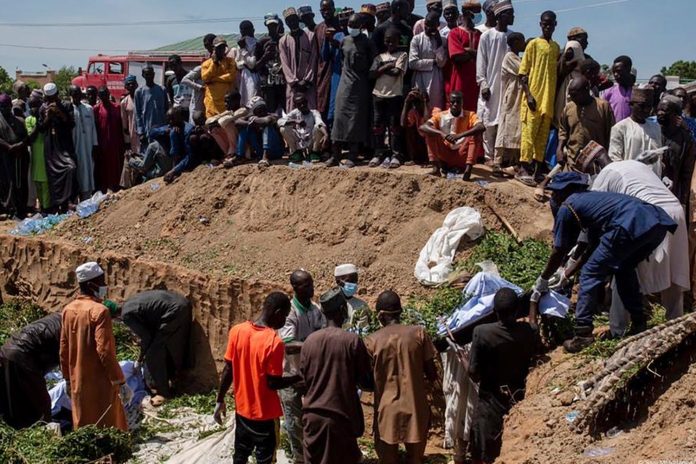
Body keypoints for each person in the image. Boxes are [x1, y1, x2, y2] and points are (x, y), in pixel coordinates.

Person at [532, 173, 677, 352]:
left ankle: (583, 333)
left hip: (629, 224)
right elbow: (592, 247)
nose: (553, 197)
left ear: (566, 191)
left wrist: (544, 278)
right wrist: (566, 273)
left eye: (556, 192)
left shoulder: (568, 206)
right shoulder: (592, 202)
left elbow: (559, 249)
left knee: (590, 274)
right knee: (624, 269)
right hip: (655, 224)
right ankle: (639, 322)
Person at [592, 160, 690, 336]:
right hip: (676, 210)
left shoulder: (604, 175)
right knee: (674, 268)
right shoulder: (637, 165)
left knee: (624, 269)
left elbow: (596, 219)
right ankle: (676, 324)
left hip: (649, 214)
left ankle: (617, 330)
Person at [214, 292, 299, 464]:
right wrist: (297, 378)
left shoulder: (237, 331)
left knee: (240, 453)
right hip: (265, 415)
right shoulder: (274, 342)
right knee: (266, 458)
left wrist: (220, 400)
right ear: (277, 313)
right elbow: (272, 382)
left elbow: (228, 370)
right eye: (284, 315)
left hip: (242, 410)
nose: (284, 321)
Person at [299, 287, 372, 464]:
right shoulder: (351, 341)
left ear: (323, 312)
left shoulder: (309, 342)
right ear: (342, 310)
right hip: (341, 417)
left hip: (312, 419)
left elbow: (304, 382)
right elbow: (366, 383)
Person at [365, 291, 437, 464]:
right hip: (416, 407)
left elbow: (367, 381)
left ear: (381, 315)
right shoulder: (419, 333)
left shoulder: (371, 341)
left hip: (386, 410)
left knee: (388, 459)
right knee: (416, 459)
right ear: (400, 311)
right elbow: (432, 373)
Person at [60, 262, 130, 431]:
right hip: (100, 383)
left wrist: (68, 379)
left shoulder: (68, 310)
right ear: (91, 284)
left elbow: (63, 349)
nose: (104, 286)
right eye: (101, 281)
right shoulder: (99, 311)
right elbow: (104, 351)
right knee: (108, 427)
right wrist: (120, 381)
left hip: (78, 381)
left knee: (85, 429)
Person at [469, 288, 536, 464]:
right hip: (519, 398)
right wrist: (533, 303)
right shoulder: (527, 331)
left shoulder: (481, 332)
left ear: (494, 312)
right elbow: (534, 329)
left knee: (484, 451)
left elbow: (474, 373)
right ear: (516, 311)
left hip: (490, 401)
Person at [277, 269, 325, 464]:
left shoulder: (314, 309)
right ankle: (299, 458)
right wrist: (312, 343)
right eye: (307, 285)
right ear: (295, 288)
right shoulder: (290, 312)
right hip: (291, 375)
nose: (312, 288)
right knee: (294, 421)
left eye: (312, 283)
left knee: (311, 419)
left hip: (311, 375)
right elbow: (287, 344)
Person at [121, 290, 192, 405]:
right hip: (181, 302)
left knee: (153, 354)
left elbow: (147, 337)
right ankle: (173, 377)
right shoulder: (129, 304)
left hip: (174, 311)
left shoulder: (127, 316)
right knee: (165, 344)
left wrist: (140, 357)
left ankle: (163, 393)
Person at [328, 13, 377, 168]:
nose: (352, 27)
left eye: (355, 25)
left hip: (360, 85)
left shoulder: (367, 43)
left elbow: (375, 62)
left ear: (361, 27)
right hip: (344, 83)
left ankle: (352, 155)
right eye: (350, 24)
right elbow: (343, 60)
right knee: (339, 118)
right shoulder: (345, 41)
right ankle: (335, 155)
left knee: (355, 120)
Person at [517, 11, 560, 185]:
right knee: (529, 134)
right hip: (534, 96)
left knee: (542, 137)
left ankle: (536, 170)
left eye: (551, 24)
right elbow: (522, 73)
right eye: (545, 23)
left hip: (548, 99)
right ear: (540, 24)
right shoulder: (533, 44)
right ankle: (523, 168)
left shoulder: (556, 47)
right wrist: (528, 95)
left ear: (555, 25)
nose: (548, 26)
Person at [0, 311, 61, 429]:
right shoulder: (69, 327)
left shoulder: (58, 319)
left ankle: (18, 427)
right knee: (41, 401)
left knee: (12, 396)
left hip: (8, 350)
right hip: (22, 355)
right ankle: (45, 433)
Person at [476, 0, 514, 162]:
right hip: (490, 84)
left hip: (506, 85)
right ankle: (488, 156)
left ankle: (500, 158)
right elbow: (481, 62)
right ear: (500, 16)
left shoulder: (512, 37)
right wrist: (483, 83)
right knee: (489, 119)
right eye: (510, 14)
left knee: (503, 121)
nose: (513, 17)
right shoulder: (486, 36)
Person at [420, 90, 485, 179]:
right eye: (452, 102)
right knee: (430, 133)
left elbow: (481, 127)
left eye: (458, 102)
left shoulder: (470, 115)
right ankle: (435, 169)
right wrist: (443, 134)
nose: (455, 104)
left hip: (462, 154)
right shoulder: (440, 115)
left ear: (462, 102)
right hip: (445, 154)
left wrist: (460, 135)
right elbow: (423, 127)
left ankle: (468, 169)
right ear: (448, 103)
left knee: (476, 134)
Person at [556, 76, 615, 169]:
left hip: (596, 164)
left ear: (586, 90)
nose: (572, 98)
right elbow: (563, 130)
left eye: (575, 95)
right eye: (571, 95)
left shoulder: (603, 106)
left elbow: (611, 134)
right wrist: (559, 149)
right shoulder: (568, 108)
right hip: (572, 162)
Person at [370, 27, 408, 168]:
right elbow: (372, 74)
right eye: (387, 41)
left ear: (398, 41)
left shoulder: (402, 55)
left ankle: (396, 154)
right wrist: (387, 66)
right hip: (378, 94)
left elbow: (396, 72)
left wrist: (382, 68)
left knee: (394, 127)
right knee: (378, 126)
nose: (390, 43)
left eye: (393, 41)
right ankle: (379, 153)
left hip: (394, 95)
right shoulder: (379, 57)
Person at [608, 87, 664, 175]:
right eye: (641, 106)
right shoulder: (620, 128)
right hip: (632, 180)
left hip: (654, 181)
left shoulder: (655, 127)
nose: (645, 110)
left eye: (648, 106)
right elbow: (615, 159)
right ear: (631, 105)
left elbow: (659, 157)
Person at [40, 83, 76, 212]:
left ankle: (67, 202)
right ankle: (55, 205)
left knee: (70, 168)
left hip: (64, 145)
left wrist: (60, 113)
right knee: (53, 176)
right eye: (48, 98)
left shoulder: (66, 105)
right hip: (51, 146)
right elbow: (41, 129)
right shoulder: (43, 108)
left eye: (52, 98)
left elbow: (71, 124)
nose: (50, 101)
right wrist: (48, 117)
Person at [493, 31, 525, 175]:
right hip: (512, 96)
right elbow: (524, 70)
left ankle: (512, 162)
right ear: (515, 43)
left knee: (516, 127)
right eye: (522, 41)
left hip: (518, 95)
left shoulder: (516, 57)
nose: (524, 44)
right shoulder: (510, 57)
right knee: (506, 126)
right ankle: (497, 162)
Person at [657, 95, 696, 211]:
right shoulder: (651, 132)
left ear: (676, 114)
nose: (660, 113)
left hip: (672, 198)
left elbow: (687, 173)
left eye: (664, 110)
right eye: (658, 109)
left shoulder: (685, 139)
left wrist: (684, 202)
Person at [279, 8, 319, 113]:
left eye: (294, 19)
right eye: (289, 20)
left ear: (298, 19)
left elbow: (313, 59)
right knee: (292, 113)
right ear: (286, 23)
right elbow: (285, 63)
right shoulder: (283, 41)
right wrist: (294, 83)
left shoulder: (310, 36)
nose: (292, 22)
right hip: (293, 86)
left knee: (311, 112)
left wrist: (306, 81)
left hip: (308, 85)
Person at [410, 12, 448, 112]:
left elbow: (442, 63)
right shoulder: (417, 39)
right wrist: (433, 62)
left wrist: (439, 43)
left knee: (436, 109)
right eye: (426, 24)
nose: (427, 27)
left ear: (437, 26)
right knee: (420, 109)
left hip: (436, 79)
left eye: (431, 25)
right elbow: (413, 63)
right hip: (420, 78)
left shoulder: (442, 40)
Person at [446, 2, 481, 111]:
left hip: (476, 80)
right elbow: (456, 56)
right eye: (475, 13)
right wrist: (474, 53)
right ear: (466, 14)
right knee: (458, 110)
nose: (478, 16)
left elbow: (484, 56)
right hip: (460, 79)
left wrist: (467, 51)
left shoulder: (480, 34)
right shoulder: (454, 33)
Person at [0, 93, 29, 219]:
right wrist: (9, 147)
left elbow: (26, 137)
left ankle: (19, 209)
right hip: (3, 157)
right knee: (5, 183)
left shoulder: (19, 120)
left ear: (10, 105)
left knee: (18, 183)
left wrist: (18, 146)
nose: (4, 109)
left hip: (18, 157)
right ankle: (6, 208)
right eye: (2, 106)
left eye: (6, 106)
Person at [279, 93, 328, 164]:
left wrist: (326, 134)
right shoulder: (295, 113)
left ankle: (314, 152)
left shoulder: (314, 112)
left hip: (310, 141)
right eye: (299, 104)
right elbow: (280, 121)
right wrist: (295, 121)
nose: (302, 105)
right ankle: (296, 152)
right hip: (299, 141)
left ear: (307, 102)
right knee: (283, 128)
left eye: (303, 103)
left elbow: (319, 123)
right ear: (296, 106)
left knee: (317, 128)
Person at [94, 86, 125, 193]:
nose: (104, 97)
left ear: (109, 94)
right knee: (104, 167)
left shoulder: (117, 107)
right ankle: (105, 188)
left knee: (117, 165)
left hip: (116, 142)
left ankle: (116, 186)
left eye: (105, 94)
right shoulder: (96, 109)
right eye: (101, 95)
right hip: (103, 143)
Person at [235, 96, 283, 166]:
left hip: (276, 151)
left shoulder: (272, 116)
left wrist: (254, 120)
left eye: (264, 109)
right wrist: (249, 122)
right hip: (259, 151)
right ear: (254, 112)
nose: (263, 112)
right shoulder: (251, 117)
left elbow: (267, 121)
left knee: (267, 127)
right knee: (245, 129)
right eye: (259, 110)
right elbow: (237, 122)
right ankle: (239, 156)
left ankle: (265, 157)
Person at [69, 85, 98, 200]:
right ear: (70, 95)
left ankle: (86, 198)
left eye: (78, 93)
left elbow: (93, 129)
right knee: (76, 173)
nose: (76, 96)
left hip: (88, 147)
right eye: (74, 93)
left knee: (87, 171)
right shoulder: (69, 109)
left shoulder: (88, 109)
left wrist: (95, 145)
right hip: (75, 148)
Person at [315, 0, 341, 122]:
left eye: (329, 9)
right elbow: (317, 54)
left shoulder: (341, 25)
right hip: (323, 71)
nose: (326, 12)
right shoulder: (318, 28)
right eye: (323, 10)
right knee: (323, 104)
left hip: (339, 71)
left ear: (334, 9)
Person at [25, 94, 51, 211]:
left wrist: (42, 119)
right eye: (31, 106)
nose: (33, 109)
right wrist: (38, 123)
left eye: (36, 106)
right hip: (35, 155)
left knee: (45, 182)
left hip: (46, 154)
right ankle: (41, 205)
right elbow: (31, 137)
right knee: (37, 183)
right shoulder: (29, 120)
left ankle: (46, 207)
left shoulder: (46, 117)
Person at [257, 14, 287, 114]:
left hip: (283, 82)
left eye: (274, 25)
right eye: (270, 25)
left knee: (287, 110)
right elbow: (256, 66)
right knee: (270, 111)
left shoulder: (284, 39)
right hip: (269, 84)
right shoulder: (262, 42)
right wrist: (266, 56)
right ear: (266, 25)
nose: (272, 27)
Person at [202, 36, 238, 118]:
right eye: (219, 48)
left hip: (225, 103)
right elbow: (205, 78)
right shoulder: (206, 64)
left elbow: (231, 76)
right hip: (211, 102)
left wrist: (214, 79)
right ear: (213, 48)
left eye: (223, 47)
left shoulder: (230, 61)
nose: (221, 50)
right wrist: (214, 63)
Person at [135, 65, 168, 149]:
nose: (149, 76)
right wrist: (141, 132)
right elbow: (138, 113)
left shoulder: (162, 89)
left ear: (154, 74)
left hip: (161, 128)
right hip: (147, 129)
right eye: (147, 74)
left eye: (151, 74)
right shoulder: (139, 92)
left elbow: (166, 109)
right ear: (143, 75)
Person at [230, 21, 260, 107]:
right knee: (243, 102)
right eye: (242, 30)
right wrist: (244, 63)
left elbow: (252, 64)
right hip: (242, 76)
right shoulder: (240, 44)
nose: (244, 33)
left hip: (253, 76)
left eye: (246, 30)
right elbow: (238, 63)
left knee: (252, 100)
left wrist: (243, 49)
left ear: (253, 30)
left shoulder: (256, 43)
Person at [334, 263, 371, 332]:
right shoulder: (330, 305)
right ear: (338, 282)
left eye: (355, 281)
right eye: (349, 281)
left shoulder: (362, 305)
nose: (354, 284)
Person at [401, 87, 430, 166]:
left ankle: (427, 158)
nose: (416, 105)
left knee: (427, 130)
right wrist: (406, 102)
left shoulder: (432, 110)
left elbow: (427, 122)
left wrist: (423, 101)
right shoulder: (413, 112)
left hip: (427, 146)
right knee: (410, 131)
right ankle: (414, 158)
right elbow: (402, 124)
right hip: (416, 144)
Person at [602, 55, 634, 122]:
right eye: (614, 72)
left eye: (619, 71)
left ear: (628, 69)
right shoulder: (609, 92)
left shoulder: (637, 92)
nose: (616, 74)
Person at [166, 54, 192, 122]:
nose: (173, 68)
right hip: (177, 113)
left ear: (180, 63)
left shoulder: (191, 77)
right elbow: (171, 98)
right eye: (171, 66)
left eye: (174, 65)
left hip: (190, 111)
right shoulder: (170, 80)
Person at [120, 75, 140, 159]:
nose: (131, 85)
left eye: (133, 83)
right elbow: (124, 124)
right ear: (126, 86)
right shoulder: (124, 102)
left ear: (136, 85)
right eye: (129, 84)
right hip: (131, 135)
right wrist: (127, 142)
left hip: (142, 134)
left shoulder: (141, 98)